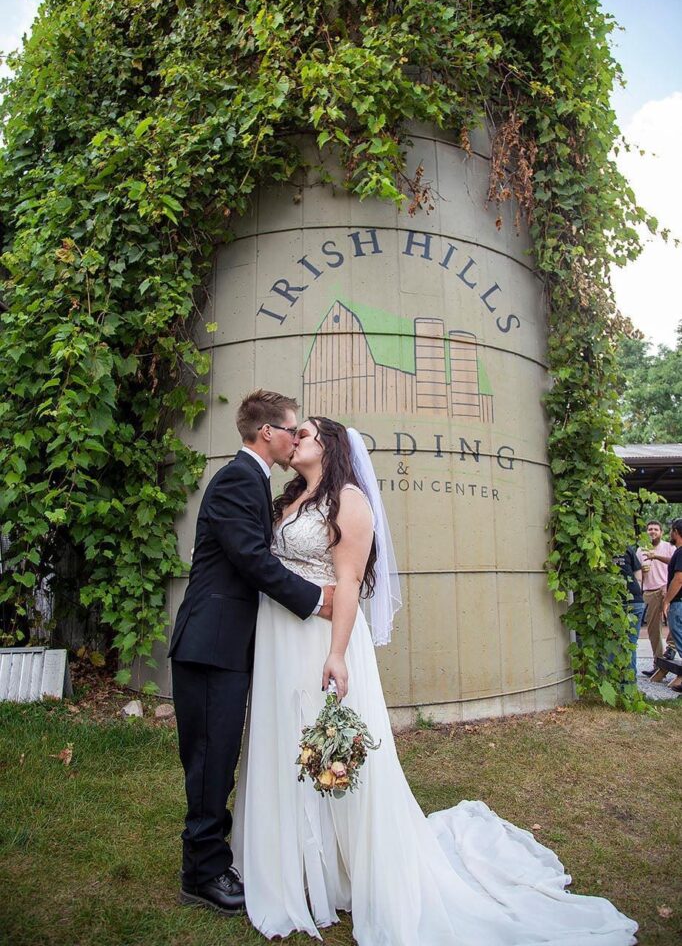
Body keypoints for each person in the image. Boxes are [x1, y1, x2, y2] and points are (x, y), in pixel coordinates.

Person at [232, 417, 637, 945]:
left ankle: (348, 866)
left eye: (306, 433)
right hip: (279, 637)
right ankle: (298, 869)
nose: (296, 439)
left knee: (326, 747)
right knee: (284, 742)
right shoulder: (289, 499)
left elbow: (350, 581)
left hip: (319, 641)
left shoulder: (349, 501)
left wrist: (336, 655)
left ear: (328, 446)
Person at [168, 390, 334, 914]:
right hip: (210, 643)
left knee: (217, 755)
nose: (294, 439)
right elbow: (250, 560)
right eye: (291, 430)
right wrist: (314, 600)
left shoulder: (250, 482)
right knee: (209, 757)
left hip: (223, 642)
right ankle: (202, 872)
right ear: (268, 433)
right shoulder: (238, 478)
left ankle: (211, 858)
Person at [637, 520, 675, 676]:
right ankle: (659, 663)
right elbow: (638, 572)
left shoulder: (669, 547)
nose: (652, 531)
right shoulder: (640, 550)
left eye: (656, 529)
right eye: (650, 529)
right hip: (648, 592)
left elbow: (676, 566)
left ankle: (671, 648)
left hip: (665, 589)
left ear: (661, 532)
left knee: (675, 622)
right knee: (653, 630)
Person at [612, 545, 645, 681]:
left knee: (613, 642)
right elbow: (638, 572)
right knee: (630, 643)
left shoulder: (603, 547)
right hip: (636, 599)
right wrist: (635, 588)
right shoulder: (627, 547)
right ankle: (629, 684)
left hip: (618, 601)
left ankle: (614, 681)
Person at [661, 518, 682, 692]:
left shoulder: (681, 552)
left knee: (680, 639)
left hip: (679, 603)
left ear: (675, 532)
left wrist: (666, 601)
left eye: (670, 530)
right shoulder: (678, 553)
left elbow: (679, 578)